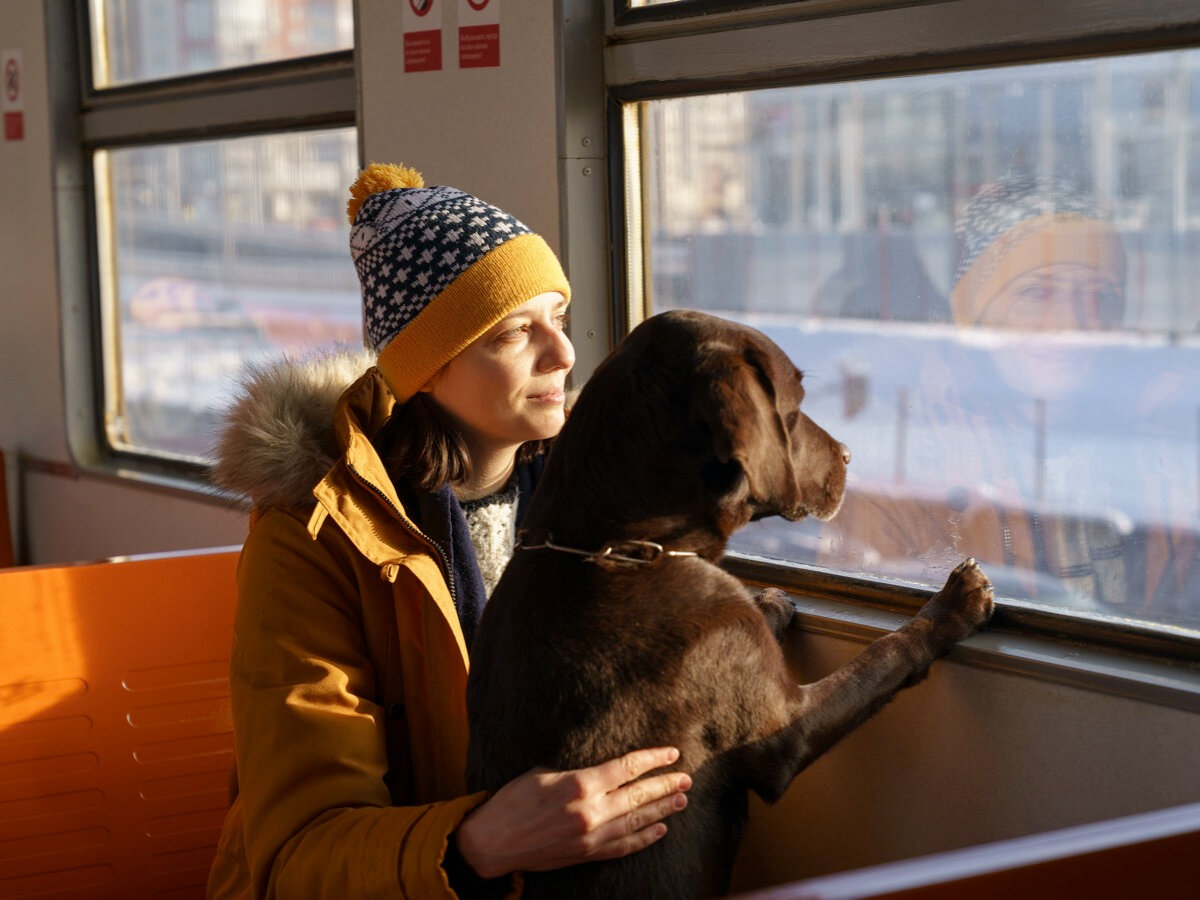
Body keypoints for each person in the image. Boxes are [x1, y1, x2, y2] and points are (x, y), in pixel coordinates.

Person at [206, 162, 692, 898]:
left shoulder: (589, 506)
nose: (562, 353)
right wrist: (475, 844)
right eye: (515, 332)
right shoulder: (312, 539)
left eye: (558, 318)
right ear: (426, 369)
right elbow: (296, 855)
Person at [820, 175, 1195, 613]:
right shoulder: (902, 456)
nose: (1076, 323)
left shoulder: (1164, 434)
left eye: (1101, 296)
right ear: (976, 311)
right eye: (1037, 292)